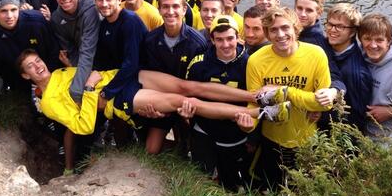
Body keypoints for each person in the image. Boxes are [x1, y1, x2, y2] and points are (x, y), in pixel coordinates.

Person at [17, 49, 278, 137]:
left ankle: (255, 96)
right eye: (30, 66)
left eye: (37, 60)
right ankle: (259, 113)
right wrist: (88, 89)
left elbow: (93, 72)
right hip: (118, 99)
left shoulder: (62, 71)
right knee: (184, 101)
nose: (38, 66)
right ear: (26, 76)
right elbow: (83, 126)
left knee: (187, 86)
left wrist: (94, 77)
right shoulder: (48, 103)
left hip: (122, 78)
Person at [236, 7, 331, 190]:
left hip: (307, 139)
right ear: (267, 33)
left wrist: (284, 91)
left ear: (295, 28)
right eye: (273, 30)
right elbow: (255, 102)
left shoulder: (316, 54)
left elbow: (323, 103)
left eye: (285, 27)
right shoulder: (256, 60)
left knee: (305, 191)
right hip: (272, 140)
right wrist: (248, 125)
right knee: (273, 190)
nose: (280, 34)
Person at [186, 15, 256, 191]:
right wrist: (187, 113)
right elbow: (188, 93)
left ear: (238, 37)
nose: (225, 44)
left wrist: (251, 133)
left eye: (230, 38)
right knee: (201, 177)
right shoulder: (199, 63)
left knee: (231, 182)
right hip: (204, 127)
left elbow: (256, 101)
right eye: (219, 39)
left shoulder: (250, 64)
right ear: (212, 40)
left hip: (234, 131)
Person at [141, 0, 208, 154]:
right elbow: (148, 77)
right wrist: (153, 105)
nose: (170, 11)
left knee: (190, 148)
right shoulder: (150, 40)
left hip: (186, 101)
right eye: (165, 6)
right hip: (161, 100)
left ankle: (185, 140)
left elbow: (200, 83)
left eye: (175, 6)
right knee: (151, 150)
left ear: (184, 9)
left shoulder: (197, 43)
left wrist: (188, 109)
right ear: (159, 10)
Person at [0, 0, 61, 93]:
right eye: (3, 11)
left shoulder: (37, 22)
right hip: (16, 78)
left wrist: (49, 76)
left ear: (19, 9)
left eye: (13, 10)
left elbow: (54, 50)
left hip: (47, 71)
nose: (9, 16)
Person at [49, 0, 100, 104]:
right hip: (81, 62)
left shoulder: (91, 9)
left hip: (100, 57)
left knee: (77, 92)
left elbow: (87, 50)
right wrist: (78, 72)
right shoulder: (56, 18)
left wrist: (76, 90)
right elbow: (70, 49)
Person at [322, 3, 373, 132]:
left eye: (340, 27)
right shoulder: (324, 47)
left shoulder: (357, 73)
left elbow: (356, 118)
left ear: (352, 32)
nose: (332, 30)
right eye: (330, 24)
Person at [294, 0, 345, 107]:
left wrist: (333, 91)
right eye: (299, 8)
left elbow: (335, 77)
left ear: (319, 13)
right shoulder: (288, 31)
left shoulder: (319, 43)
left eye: (309, 10)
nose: (302, 14)